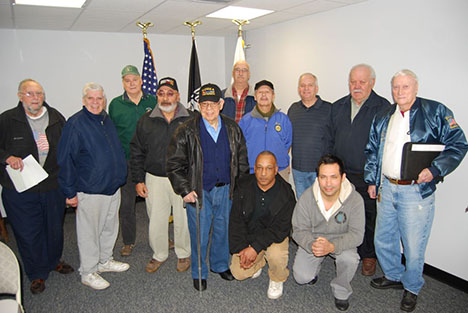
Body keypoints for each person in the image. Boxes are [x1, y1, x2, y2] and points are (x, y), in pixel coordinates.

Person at [364, 69, 467, 312]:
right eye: (396, 87)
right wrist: (372, 180)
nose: (399, 92)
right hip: (387, 187)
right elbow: (371, 149)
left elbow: (458, 143)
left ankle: (412, 287)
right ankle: (393, 275)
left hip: (416, 192)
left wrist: (435, 169)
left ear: (416, 88)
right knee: (384, 238)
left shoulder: (435, 111)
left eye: (405, 87)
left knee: (413, 244)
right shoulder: (384, 115)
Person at [166, 83, 249, 291]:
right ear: (199, 105)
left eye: (213, 104)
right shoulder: (185, 130)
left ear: (221, 104)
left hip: (226, 190)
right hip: (199, 191)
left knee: (223, 229)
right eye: (204, 104)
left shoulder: (232, 128)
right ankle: (199, 271)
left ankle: (220, 265)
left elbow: (242, 161)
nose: (209, 109)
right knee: (200, 234)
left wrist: (239, 189)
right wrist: (185, 189)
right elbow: (174, 164)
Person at [0, 79, 73, 294]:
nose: (35, 98)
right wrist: (7, 157)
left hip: (52, 186)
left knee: (53, 229)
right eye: (30, 93)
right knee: (28, 232)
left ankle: (53, 262)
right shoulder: (7, 120)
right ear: (20, 96)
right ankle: (36, 273)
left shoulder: (56, 117)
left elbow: (66, 150)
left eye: (39, 93)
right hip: (21, 189)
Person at [58, 83, 130, 290]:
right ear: (84, 100)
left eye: (99, 98)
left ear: (104, 100)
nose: (96, 102)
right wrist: (69, 191)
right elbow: (65, 159)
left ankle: (104, 261)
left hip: (111, 186)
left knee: (109, 227)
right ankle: (88, 271)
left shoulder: (105, 120)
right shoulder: (75, 124)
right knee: (90, 232)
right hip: (90, 189)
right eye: (91, 98)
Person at [330, 64, 390, 276]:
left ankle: (368, 256)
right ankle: (343, 251)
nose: (356, 86)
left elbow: (385, 147)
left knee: (368, 218)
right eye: (353, 81)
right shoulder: (338, 106)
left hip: (368, 178)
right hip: (341, 176)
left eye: (361, 82)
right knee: (341, 216)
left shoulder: (383, 108)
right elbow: (330, 139)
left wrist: (375, 177)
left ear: (372, 83)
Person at [130, 77, 192, 274]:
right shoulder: (146, 120)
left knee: (183, 218)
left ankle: (183, 253)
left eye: (170, 93)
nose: (166, 98)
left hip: (182, 178)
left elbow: (198, 151)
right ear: (157, 96)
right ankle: (159, 254)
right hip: (155, 178)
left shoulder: (190, 118)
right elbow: (137, 151)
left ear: (178, 95)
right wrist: (139, 179)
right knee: (156, 218)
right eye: (161, 94)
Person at [292, 154, 364, 311]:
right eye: (323, 177)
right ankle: (314, 268)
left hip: (341, 240)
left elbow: (357, 235)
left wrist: (332, 246)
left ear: (343, 177)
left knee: (350, 258)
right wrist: (312, 245)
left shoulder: (355, 200)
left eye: (333, 177)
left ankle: (341, 290)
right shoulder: (307, 197)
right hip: (314, 240)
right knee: (301, 278)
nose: (328, 183)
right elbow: (298, 229)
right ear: (317, 178)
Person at [229, 151, 295, 299]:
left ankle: (277, 277)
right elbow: (236, 221)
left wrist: (255, 248)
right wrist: (242, 249)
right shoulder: (243, 186)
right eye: (259, 168)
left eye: (268, 168)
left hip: (274, 237)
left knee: (277, 256)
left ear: (276, 170)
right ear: (254, 168)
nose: (263, 173)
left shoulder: (286, 193)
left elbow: (280, 229)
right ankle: (260, 261)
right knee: (238, 273)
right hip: (250, 235)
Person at [109, 65, 157, 257]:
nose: (131, 83)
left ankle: (159, 237)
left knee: (155, 203)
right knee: (127, 204)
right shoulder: (115, 104)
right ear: (123, 83)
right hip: (127, 161)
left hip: (151, 160)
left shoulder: (153, 101)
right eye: (127, 80)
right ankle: (129, 241)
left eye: (134, 80)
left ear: (141, 80)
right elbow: (111, 134)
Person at [288, 73, 333, 199]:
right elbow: (287, 139)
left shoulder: (329, 109)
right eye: (302, 86)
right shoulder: (293, 109)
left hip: (320, 170)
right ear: (298, 89)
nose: (306, 88)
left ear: (316, 88)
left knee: (321, 205)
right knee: (303, 206)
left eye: (310, 85)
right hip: (298, 169)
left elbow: (334, 139)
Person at [239, 80, 292, 181]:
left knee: (280, 197)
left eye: (267, 92)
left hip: (279, 170)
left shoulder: (283, 119)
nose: (264, 95)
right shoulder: (245, 121)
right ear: (255, 96)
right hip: (253, 171)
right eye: (260, 92)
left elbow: (287, 143)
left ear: (273, 95)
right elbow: (240, 147)